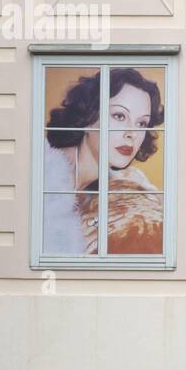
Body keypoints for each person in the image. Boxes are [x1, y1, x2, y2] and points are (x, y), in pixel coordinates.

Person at [44, 67, 164, 256]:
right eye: (119, 116)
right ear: (88, 115)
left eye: (141, 123)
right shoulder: (44, 173)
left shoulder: (126, 186)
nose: (131, 133)